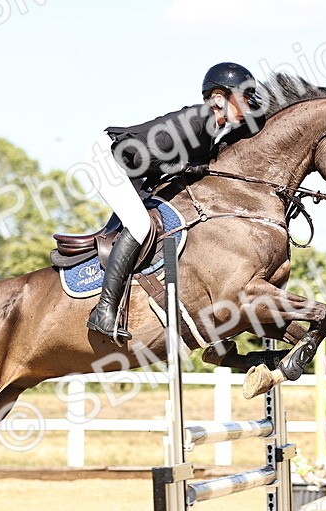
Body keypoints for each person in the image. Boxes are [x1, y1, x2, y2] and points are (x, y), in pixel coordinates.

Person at [85, 62, 267, 341]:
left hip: (130, 168)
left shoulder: (210, 130)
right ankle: (104, 311)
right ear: (219, 98)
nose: (248, 106)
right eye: (243, 98)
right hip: (108, 158)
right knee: (140, 225)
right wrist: (183, 166)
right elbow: (136, 155)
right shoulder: (195, 120)